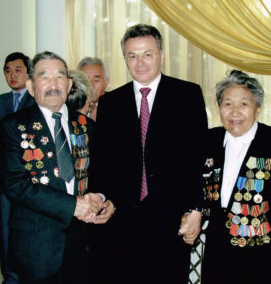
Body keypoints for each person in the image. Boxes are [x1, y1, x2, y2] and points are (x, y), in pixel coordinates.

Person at [89, 24, 208, 284]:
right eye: (132, 55)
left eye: (147, 54)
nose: (139, 62)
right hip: (122, 220)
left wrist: (196, 209)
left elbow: (199, 159)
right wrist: (103, 197)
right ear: (124, 59)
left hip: (172, 219)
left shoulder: (187, 95)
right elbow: (102, 163)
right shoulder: (111, 103)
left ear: (161, 55)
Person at [0, 51, 115, 284]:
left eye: (60, 77)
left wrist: (104, 199)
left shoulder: (85, 125)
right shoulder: (14, 126)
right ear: (31, 86)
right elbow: (15, 185)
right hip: (37, 244)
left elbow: (104, 173)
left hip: (83, 241)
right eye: (44, 77)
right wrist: (73, 205)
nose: (54, 84)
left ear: (69, 84)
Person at [201, 70, 271, 283]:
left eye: (243, 104)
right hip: (216, 252)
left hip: (260, 256)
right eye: (227, 104)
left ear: (257, 108)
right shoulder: (207, 141)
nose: (235, 112)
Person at [0, 52, 35, 284]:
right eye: (7, 70)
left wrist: (3, 124)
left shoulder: (36, 100)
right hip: (4, 178)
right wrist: (10, 126)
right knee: (5, 230)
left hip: (30, 178)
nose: (12, 75)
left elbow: (30, 134)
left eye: (17, 70)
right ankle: (10, 277)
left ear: (28, 72)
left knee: (30, 228)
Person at [78, 57, 109, 121]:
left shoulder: (118, 105)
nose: (91, 85)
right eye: (86, 80)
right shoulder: (70, 105)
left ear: (106, 82)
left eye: (96, 80)